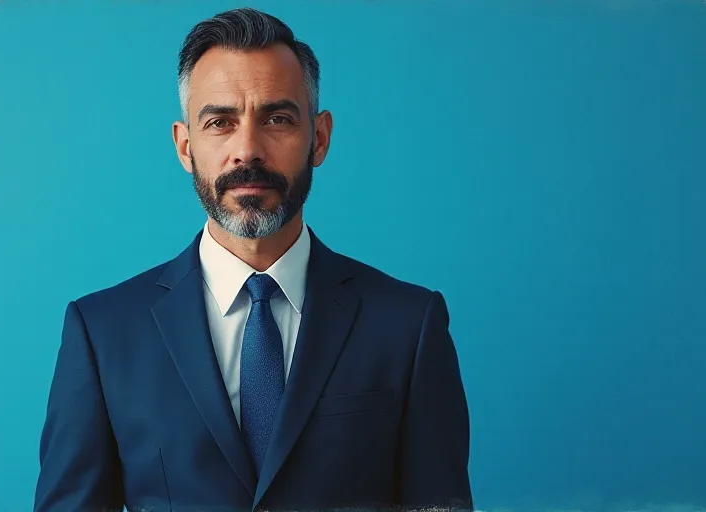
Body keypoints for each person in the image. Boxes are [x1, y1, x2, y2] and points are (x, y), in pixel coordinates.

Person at [34, 7, 473, 512]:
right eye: (220, 122)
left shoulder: (408, 325)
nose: (247, 150)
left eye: (277, 119)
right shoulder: (102, 332)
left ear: (319, 138)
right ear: (185, 147)